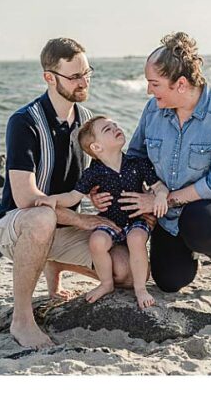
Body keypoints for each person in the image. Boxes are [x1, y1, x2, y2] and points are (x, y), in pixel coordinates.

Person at [0, 37, 148, 349]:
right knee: (41, 219)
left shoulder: (87, 122)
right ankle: (22, 319)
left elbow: (93, 179)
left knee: (127, 274)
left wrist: (98, 198)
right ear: (50, 77)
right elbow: (26, 199)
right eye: (75, 76)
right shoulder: (24, 123)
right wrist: (83, 221)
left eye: (87, 73)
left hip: (64, 227)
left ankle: (54, 263)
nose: (83, 82)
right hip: (17, 228)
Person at [95, 32, 211, 299]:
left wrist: (163, 200)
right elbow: (135, 158)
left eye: (154, 83)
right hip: (168, 203)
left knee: (201, 223)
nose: (149, 91)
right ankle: (193, 246)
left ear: (180, 84)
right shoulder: (153, 109)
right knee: (170, 280)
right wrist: (103, 190)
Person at [34, 116, 168, 308]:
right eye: (107, 129)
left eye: (115, 125)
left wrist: (161, 196)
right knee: (97, 241)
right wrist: (53, 199)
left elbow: (158, 186)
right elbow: (73, 196)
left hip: (136, 219)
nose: (116, 128)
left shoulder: (137, 163)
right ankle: (106, 283)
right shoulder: (93, 172)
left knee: (136, 239)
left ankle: (140, 289)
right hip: (109, 220)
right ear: (96, 148)